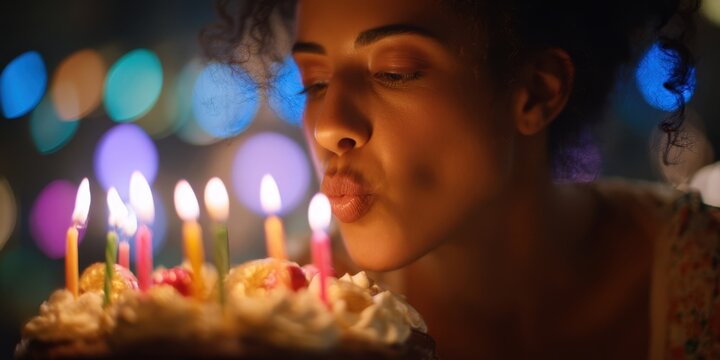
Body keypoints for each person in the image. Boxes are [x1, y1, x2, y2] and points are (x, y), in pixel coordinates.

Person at [203, 0, 717, 358]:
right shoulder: (285, 311)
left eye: (394, 71)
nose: (330, 124)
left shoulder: (704, 277)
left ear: (535, 92)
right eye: (314, 82)